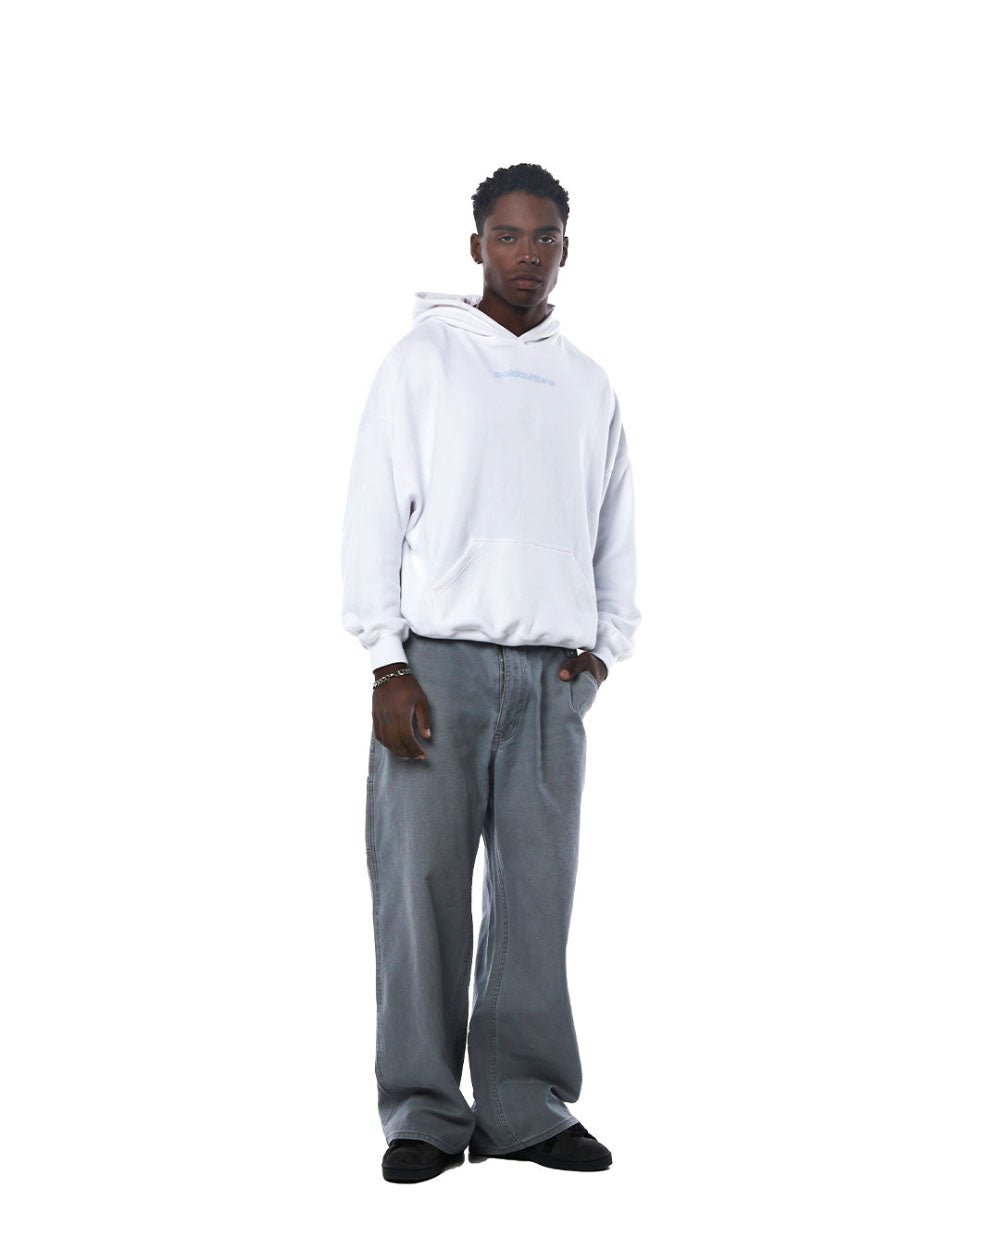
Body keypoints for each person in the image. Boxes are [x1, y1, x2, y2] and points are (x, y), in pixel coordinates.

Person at [340, 162, 641, 1184]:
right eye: (507, 235)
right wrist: (386, 660)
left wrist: (603, 650)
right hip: (438, 669)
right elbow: (374, 509)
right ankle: (425, 1109)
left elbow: (614, 524)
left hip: (553, 677)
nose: (526, 254)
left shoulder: (587, 382)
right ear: (476, 245)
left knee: (536, 895)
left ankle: (524, 1103)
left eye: (544, 236)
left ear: (566, 249)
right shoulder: (424, 361)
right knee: (420, 887)